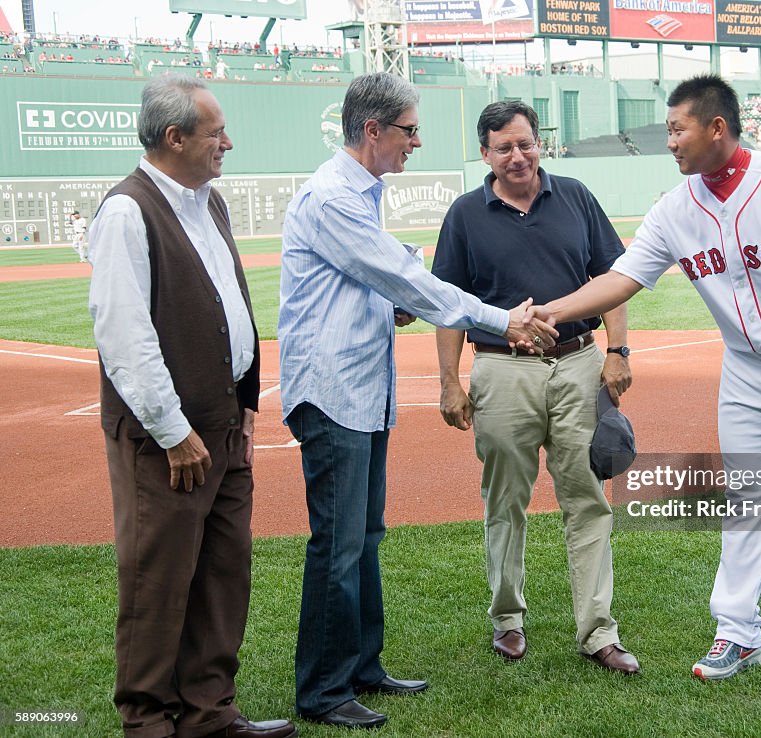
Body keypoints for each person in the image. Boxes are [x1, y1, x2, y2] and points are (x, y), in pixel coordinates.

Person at [527, 74, 761, 680]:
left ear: (716, 128)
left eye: (678, 129)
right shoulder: (675, 209)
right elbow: (622, 279)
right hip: (745, 372)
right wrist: (555, 308)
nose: (670, 141)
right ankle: (737, 632)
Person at [278, 73, 556, 731]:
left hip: (359, 391)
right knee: (339, 546)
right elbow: (402, 276)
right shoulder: (331, 199)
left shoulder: (359, 194)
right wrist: (501, 320)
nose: (417, 141)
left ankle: (361, 666)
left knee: (365, 537)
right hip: (333, 392)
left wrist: (397, 300)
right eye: (408, 129)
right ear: (372, 131)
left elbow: (382, 285)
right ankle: (322, 690)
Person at [88, 75, 296, 738]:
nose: (227, 143)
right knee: (158, 583)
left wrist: (239, 405)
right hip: (167, 438)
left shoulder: (210, 203)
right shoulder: (127, 211)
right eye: (215, 133)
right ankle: (149, 722)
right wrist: (174, 433)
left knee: (222, 576)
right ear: (175, 137)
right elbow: (124, 334)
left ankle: (210, 714)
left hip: (224, 425)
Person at [431, 100, 640, 675]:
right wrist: (450, 382)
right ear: (486, 154)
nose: (518, 156)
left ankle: (598, 631)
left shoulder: (574, 195)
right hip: (500, 369)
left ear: (537, 143)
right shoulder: (465, 214)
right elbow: (448, 306)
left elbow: (615, 278)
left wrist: (617, 352)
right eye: (505, 148)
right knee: (505, 501)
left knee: (587, 500)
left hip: (577, 362)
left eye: (525, 144)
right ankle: (508, 620)